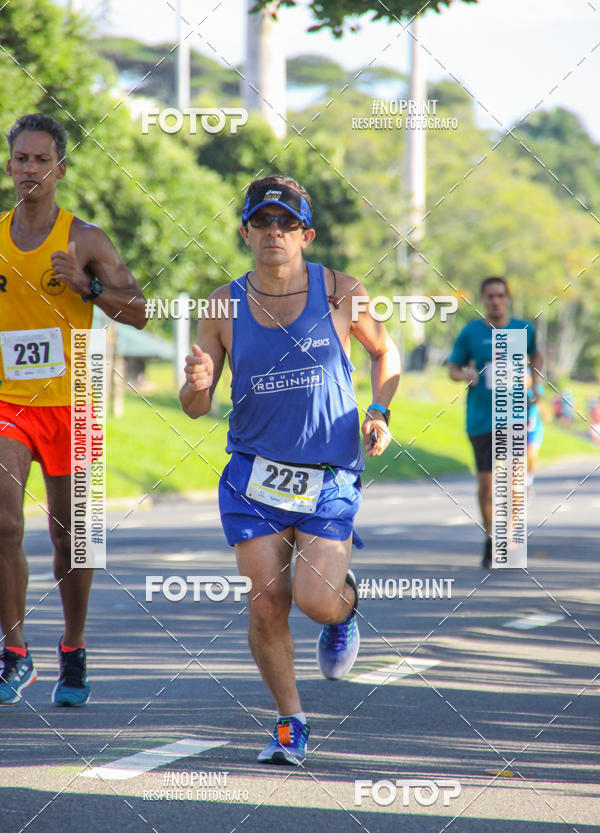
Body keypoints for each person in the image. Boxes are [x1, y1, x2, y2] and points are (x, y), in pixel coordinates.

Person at [180, 175, 400, 765]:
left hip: (328, 473)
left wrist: (379, 411)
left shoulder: (341, 291)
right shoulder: (222, 305)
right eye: (262, 222)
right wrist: (197, 384)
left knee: (315, 600)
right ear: (245, 233)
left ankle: (343, 611)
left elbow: (385, 352)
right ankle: (289, 720)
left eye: (286, 223)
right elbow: (196, 406)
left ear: (306, 235)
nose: (273, 232)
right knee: (266, 602)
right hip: (254, 476)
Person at [0, 113, 147, 706]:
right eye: (21, 159)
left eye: (42, 160)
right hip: (10, 399)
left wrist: (89, 288)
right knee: (5, 523)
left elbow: (140, 311)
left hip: (76, 397)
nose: (30, 169)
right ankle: (15, 652)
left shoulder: (85, 239)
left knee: (73, 540)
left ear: (60, 169)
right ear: (9, 166)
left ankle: (74, 646)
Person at [448, 276, 543, 568]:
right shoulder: (471, 332)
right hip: (480, 419)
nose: (495, 301)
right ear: (483, 299)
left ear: (507, 298)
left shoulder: (523, 329)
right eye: (490, 296)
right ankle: (491, 537)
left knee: (514, 481)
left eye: (500, 295)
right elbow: (453, 367)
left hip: (514, 416)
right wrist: (465, 375)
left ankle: (507, 534)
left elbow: (536, 357)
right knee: (487, 486)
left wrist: (535, 385)